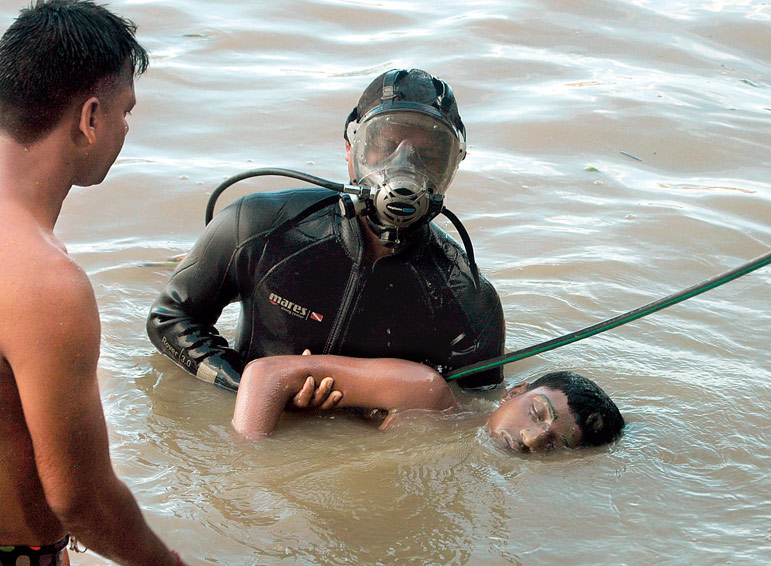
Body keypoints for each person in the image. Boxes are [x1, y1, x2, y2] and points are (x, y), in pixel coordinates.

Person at [147, 68, 505, 396]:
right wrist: (252, 385)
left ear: (452, 167)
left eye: (428, 155)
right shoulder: (260, 225)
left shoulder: (469, 300)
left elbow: (470, 415)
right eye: (384, 147)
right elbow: (170, 319)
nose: (404, 167)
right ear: (351, 148)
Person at [0, 2, 187, 565]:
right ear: (89, 118)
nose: (125, 128)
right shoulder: (44, 282)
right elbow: (80, 498)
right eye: (125, 110)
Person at [232, 355, 625, 452]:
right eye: (538, 414)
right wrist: (252, 472)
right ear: (513, 392)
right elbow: (267, 374)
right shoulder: (425, 393)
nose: (531, 438)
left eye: (556, 443)